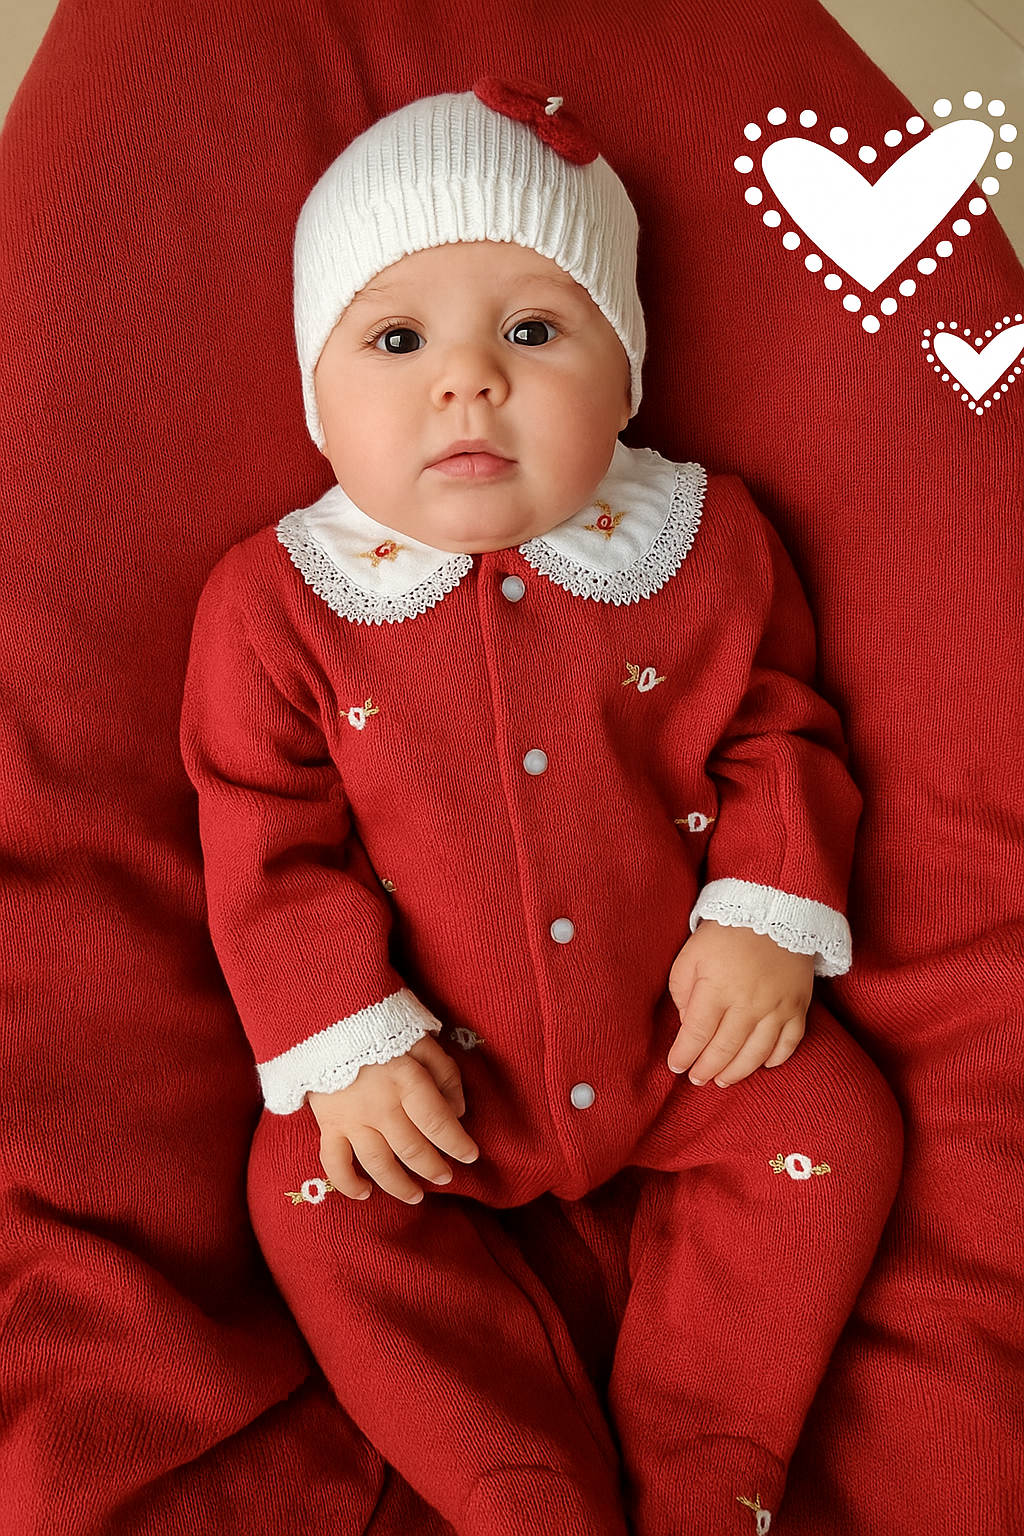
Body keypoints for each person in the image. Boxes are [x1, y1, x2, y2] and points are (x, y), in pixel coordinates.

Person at [181, 79, 902, 1536]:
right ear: (318, 396)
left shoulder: (700, 544)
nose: (470, 381)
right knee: (308, 1204)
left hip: (681, 1041)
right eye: (398, 340)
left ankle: (716, 1457)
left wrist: (766, 912)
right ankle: (513, 1480)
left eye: (533, 330)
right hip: (432, 1090)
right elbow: (258, 832)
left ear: (626, 374)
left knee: (840, 1129)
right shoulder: (278, 602)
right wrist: (343, 1040)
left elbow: (778, 729)